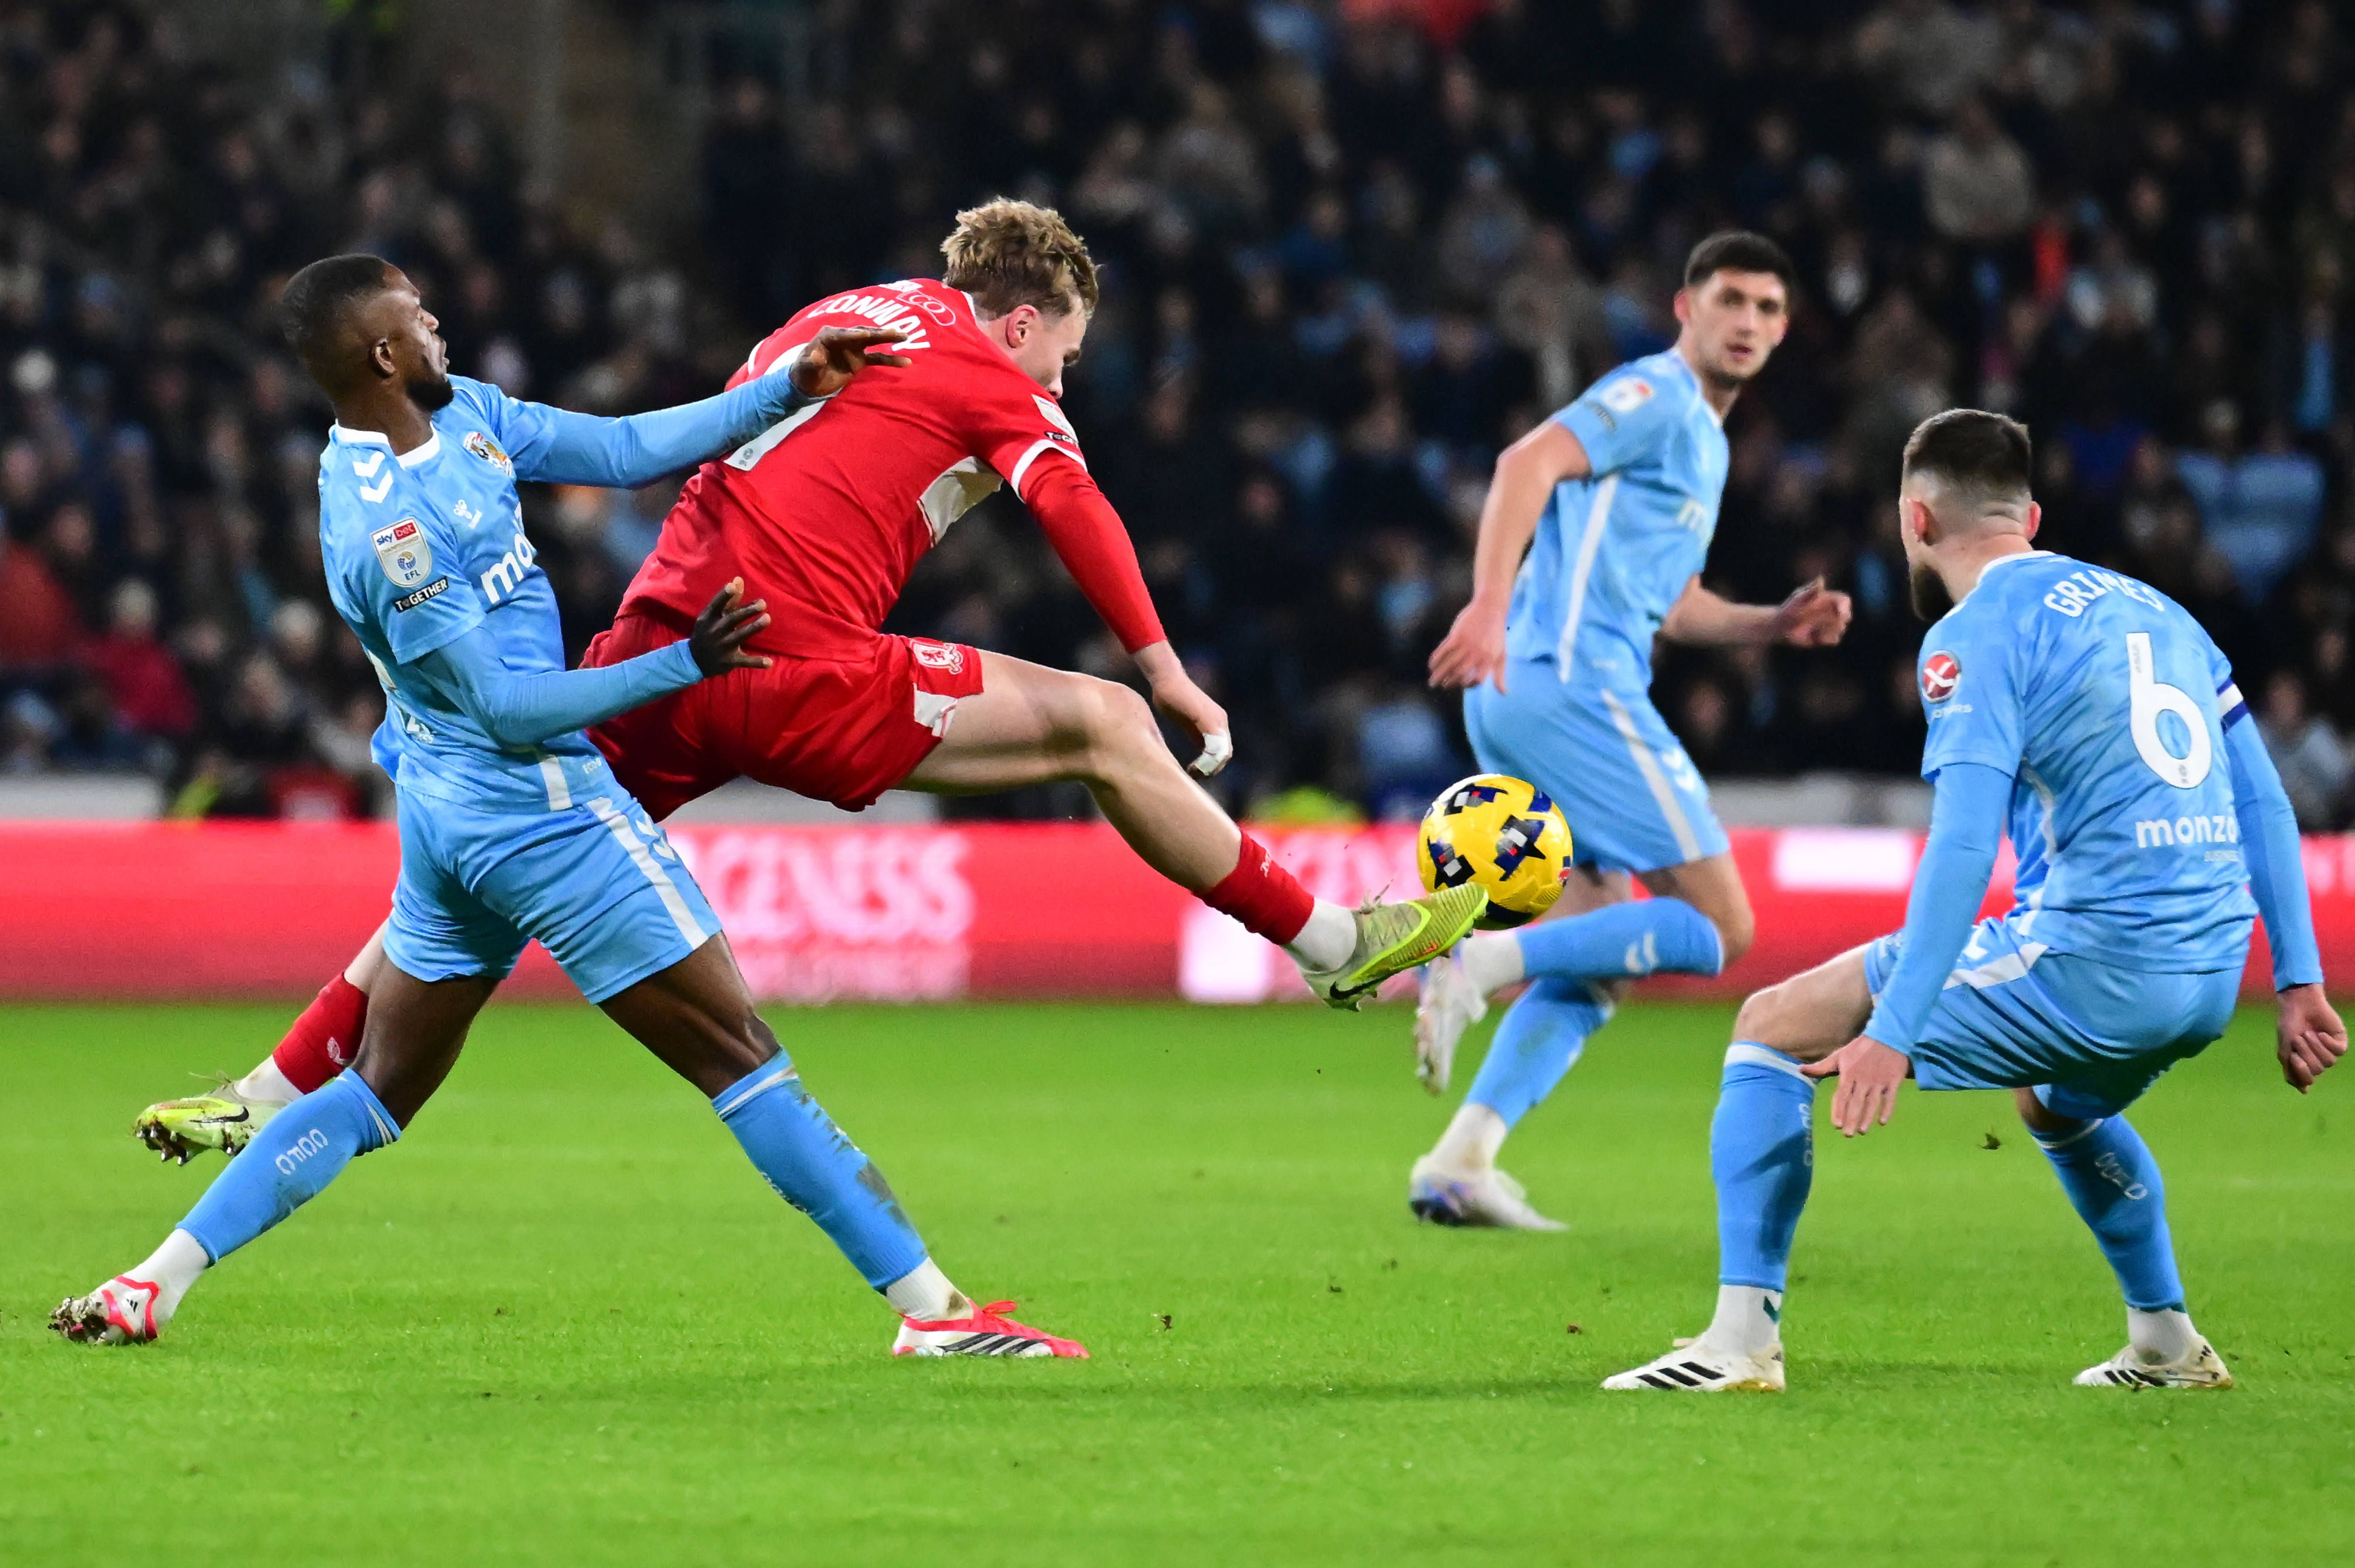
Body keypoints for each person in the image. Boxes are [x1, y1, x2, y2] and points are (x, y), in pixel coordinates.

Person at [135, 200, 1484, 1163]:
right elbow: (1074, 507)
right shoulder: (988, 369)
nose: (1060, 383)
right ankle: (1333, 946)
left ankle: (268, 1088)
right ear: (1023, 322)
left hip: (663, 638)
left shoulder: (847, 308)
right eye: (1061, 358)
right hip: (791, 664)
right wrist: (1168, 664)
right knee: (1108, 723)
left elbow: (720, 429)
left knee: (478, 889)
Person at [57, 255, 1088, 1358]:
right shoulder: (388, 531)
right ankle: (932, 1314)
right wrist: (682, 665)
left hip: (449, 821)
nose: (439, 318)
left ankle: (150, 1283)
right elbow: (508, 706)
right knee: (741, 1054)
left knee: (380, 1089)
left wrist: (789, 388)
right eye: (419, 314)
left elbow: (628, 446)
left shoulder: (469, 416)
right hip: (535, 807)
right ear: (383, 355)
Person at [1604, 409, 2345, 1394]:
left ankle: (1738, 1343)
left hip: (2095, 958)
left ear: (1915, 518)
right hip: (2212, 974)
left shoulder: (1973, 635)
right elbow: (2263, 802)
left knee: (1771, 1026)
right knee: (2054, 1101)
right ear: (2030, 516)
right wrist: (2299, 980)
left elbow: (1960, 844)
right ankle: (2167, 1342)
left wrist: (1896, 1026)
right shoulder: (2160, 611)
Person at [1406, 232, 1853, 1229]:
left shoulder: (1704, 438)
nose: (1748, 323)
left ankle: (1462, 1159)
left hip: (1531, 694)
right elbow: (1528, 461)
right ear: (1685, 309)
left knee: (1598, 954)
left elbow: (1673, 601)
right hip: (1572, 686)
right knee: (1723, 926)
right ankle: (1475, 962)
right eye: (1730, 300)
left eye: (1769, 309)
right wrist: (1486, 606)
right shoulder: (1655, 396)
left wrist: (1770, 624)